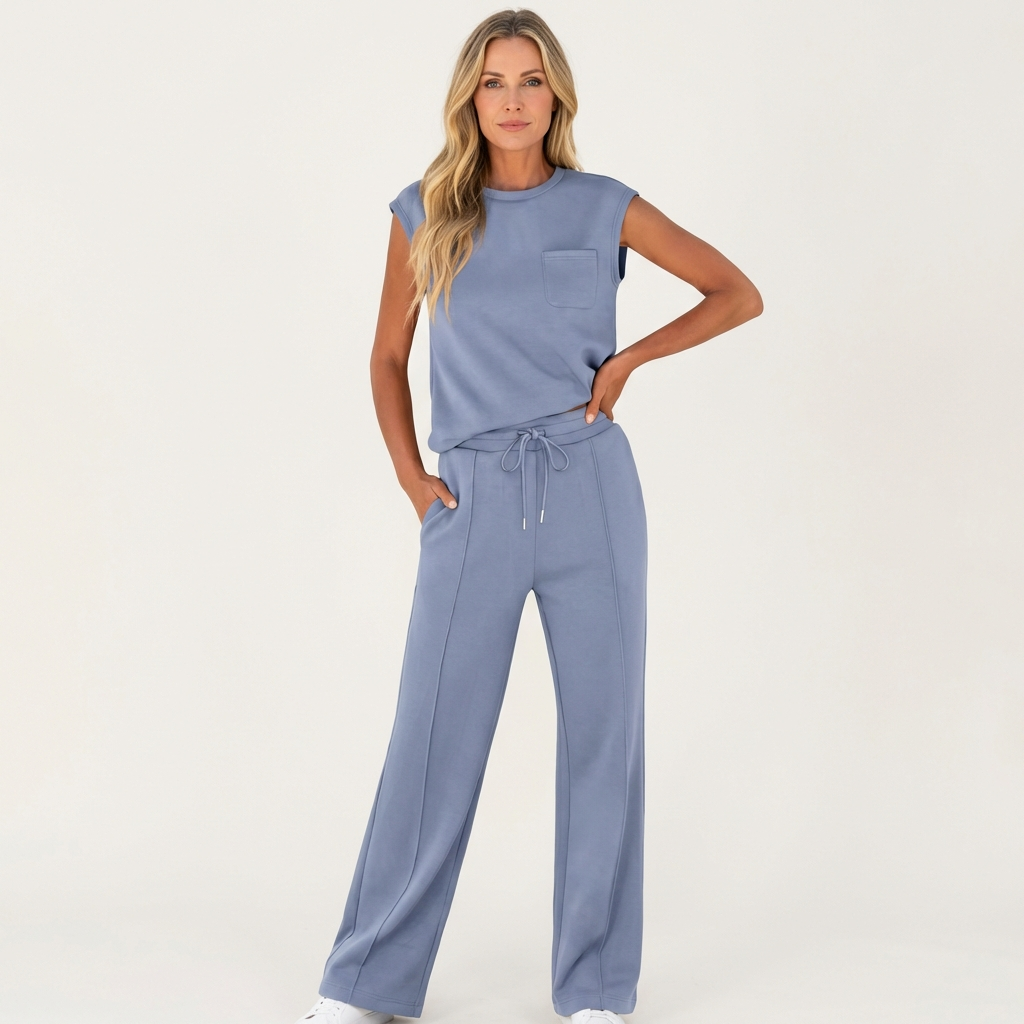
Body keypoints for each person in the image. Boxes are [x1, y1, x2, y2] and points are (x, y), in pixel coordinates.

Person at [294, 9, 761, 1024]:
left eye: (532, 80)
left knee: (604, 736)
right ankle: (367, 980)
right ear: (470, 96)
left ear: (557, 97)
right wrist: (412, 479)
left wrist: (629, 360)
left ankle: (595, 989)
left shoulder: (603, 205)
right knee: (431, 737)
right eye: (495, 81)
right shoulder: (426, 210)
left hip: (590, 485)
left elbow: (735, 293)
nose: (513, 99)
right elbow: (386, 355)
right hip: (471, 495)